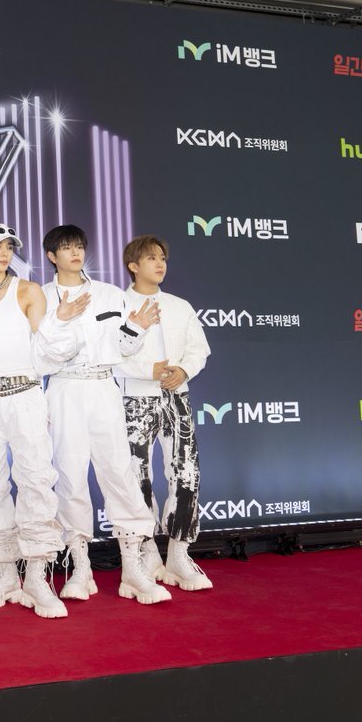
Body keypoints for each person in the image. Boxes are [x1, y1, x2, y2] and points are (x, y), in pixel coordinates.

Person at [36, 224, 171, 605]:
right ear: (52, 256)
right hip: (63, 388)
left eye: (79, 246)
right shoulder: (40, 297)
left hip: (103, 387)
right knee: (69, 474)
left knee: (119, 472)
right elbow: (39, 354)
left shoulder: (110, 293)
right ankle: (80, 567)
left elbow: (124, 347)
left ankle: (133, 567)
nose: (75, 253)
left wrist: (136, 328)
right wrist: (60, 319)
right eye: (66, 248)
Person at [0, 222, 81, 619]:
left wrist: (59, 323)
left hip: (24, 394)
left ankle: (37, 576)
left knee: (35, 480)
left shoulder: (28, 291)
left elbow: (44, 355)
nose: (4, 253)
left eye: (9, 247)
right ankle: (6, 574)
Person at [115, 235, 213, 591]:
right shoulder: (118, 303)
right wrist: (148, 371)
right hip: (133, 399)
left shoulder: (180, 306)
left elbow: (199, 349)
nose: (159, 264)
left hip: (177, 398)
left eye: (162, 258)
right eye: (151, 258)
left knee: (186, 473)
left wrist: (183, 370)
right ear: (133, 265)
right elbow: (112, 354)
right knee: (136, 476)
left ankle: (179, 553)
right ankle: (145, 552)